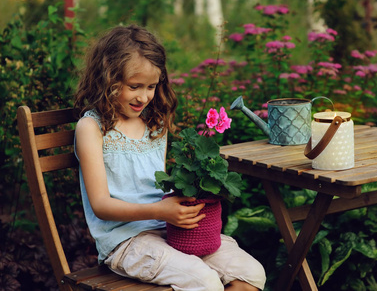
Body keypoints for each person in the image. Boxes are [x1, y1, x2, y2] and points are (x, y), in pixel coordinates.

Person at [74, 24, 266, 291]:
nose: (144, 96)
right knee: (205, 283)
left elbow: (162, 185)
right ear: (107, 79)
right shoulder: (91, 128)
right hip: (125, 241)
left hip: (170, 230)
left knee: (251, 274)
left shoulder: (154, 124)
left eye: (151, 86)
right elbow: (101, 205)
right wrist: (159, 211)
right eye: (134, 86)